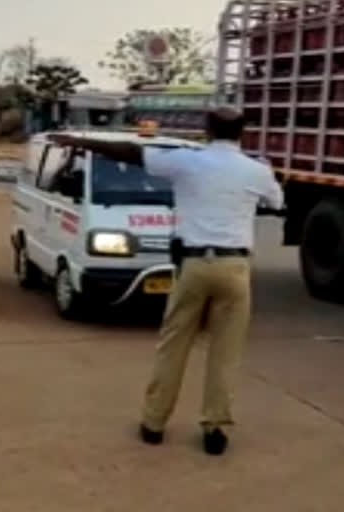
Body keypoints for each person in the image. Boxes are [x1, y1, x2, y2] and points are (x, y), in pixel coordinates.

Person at [48, 107, 284, 455]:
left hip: (192, 265)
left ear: (207, 129)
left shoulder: (187, 162)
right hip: (234, 267)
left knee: (173, 345)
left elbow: (131, 152)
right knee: (226, 352)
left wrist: (81, 141)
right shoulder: (256, 170)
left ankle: (154, 422)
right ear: (243, 132)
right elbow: (276, 202)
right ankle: (215, 427)